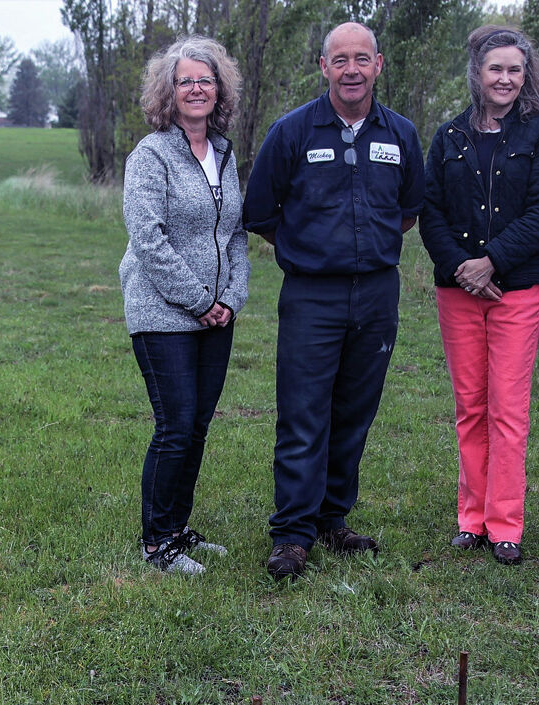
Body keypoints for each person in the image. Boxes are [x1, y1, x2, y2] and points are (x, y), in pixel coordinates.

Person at [243, 22, 425, 580]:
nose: (351, 70)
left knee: (353, 413)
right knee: (303, 415)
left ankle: (331, 519)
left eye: (361, 59)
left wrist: (364, 248)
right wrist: (309, 250)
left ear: (378, 65)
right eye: (340, 59)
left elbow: (409, 211)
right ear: (324, 67)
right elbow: (260, 212)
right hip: (311, 296)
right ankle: (292, 533)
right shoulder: (292, 131)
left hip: (376, 294)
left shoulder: (401, 134)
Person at [419, 25, 539, 566]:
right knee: (470, 408)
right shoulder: (449, 137)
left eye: (514, 70)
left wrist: (492, 261)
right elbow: (430, 211)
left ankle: (505, 524)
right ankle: (471, 518)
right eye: (495, 68)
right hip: (458, 290)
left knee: (508, 409)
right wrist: (461, 267)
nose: (505, 78)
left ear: (526, 76)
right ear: (477, 74)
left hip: (517, 291)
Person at [119, 36, 251, 575]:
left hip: (216, 315)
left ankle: (177, 528)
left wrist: (230, 299)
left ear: (219, 89)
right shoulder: (150, 155)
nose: (196, 88)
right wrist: (199, 301)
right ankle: (157, 545)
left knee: (196, 426)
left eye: (205, 80)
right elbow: (148, 239)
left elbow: (235, 232)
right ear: (168, 92)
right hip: (163, 313)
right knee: (174, 426)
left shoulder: (223, 152)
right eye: (185, 81)